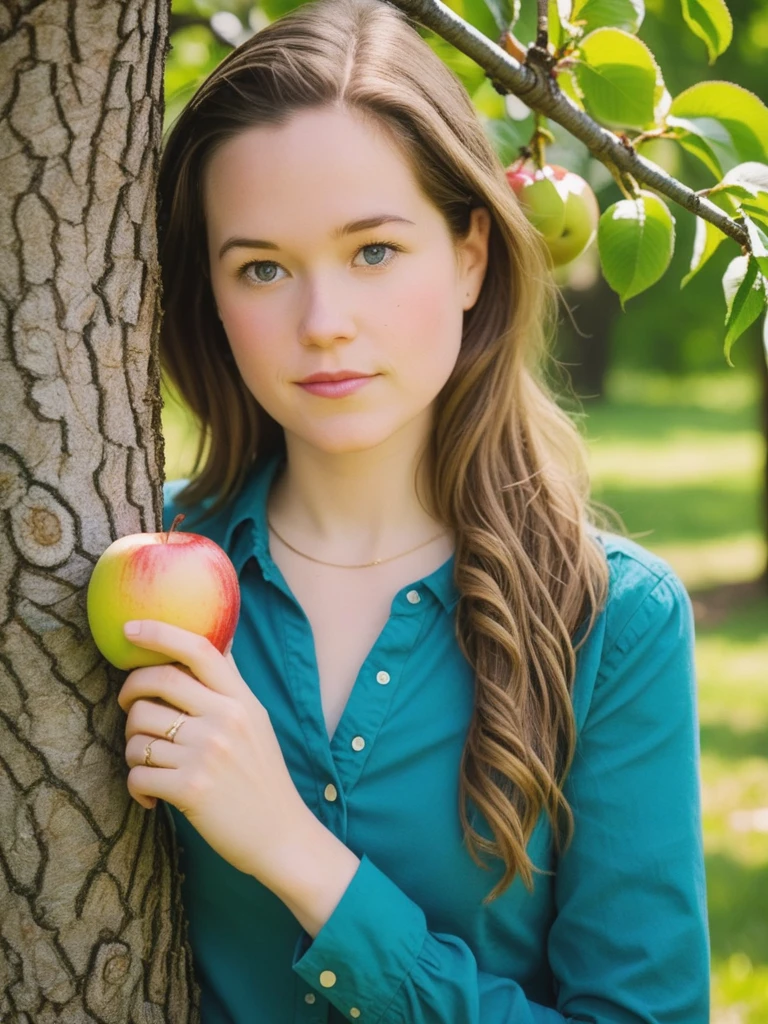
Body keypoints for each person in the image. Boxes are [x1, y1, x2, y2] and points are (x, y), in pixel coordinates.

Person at [116, 0, 710, 1019]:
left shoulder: (614, 620)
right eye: (262, 267)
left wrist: (301, 857)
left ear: (472, 252)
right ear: (210, 297)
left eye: (374, 251)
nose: (324, 324)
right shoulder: (128, 573)